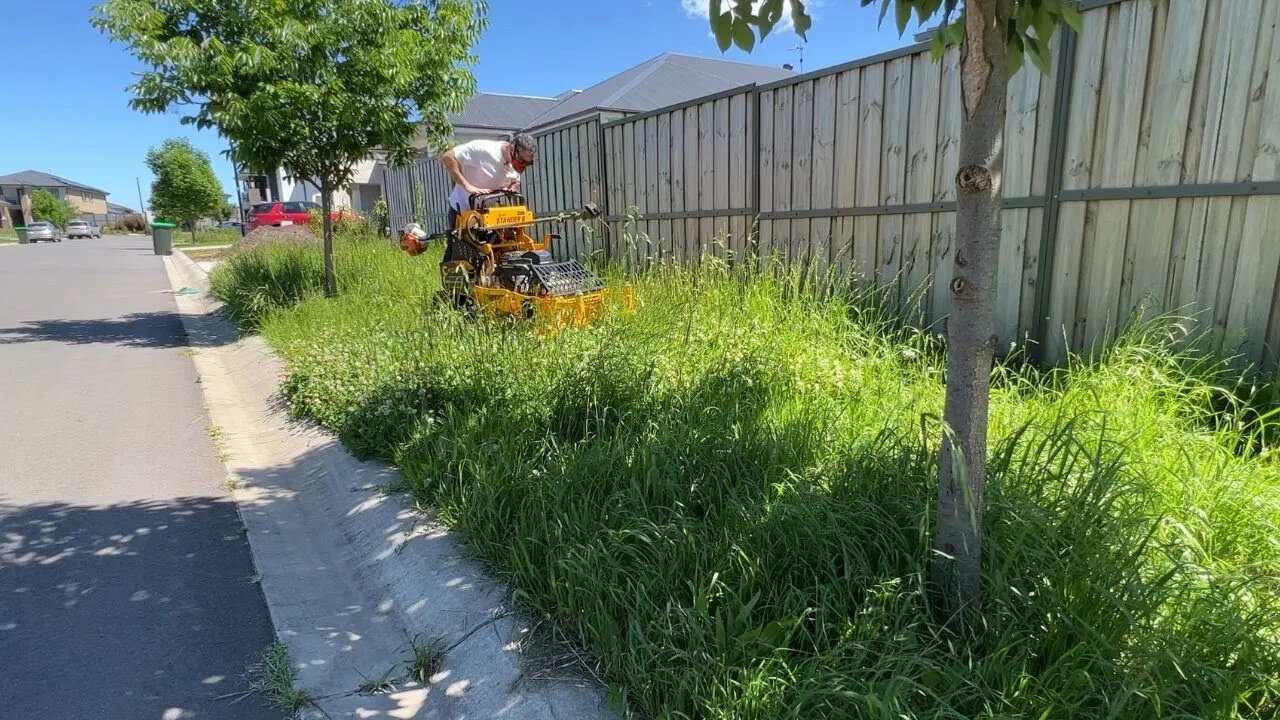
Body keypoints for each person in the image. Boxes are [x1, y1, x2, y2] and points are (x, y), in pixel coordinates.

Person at [439, 132, 537, 234]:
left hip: (489, 215)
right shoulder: (482, 149)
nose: (523, 166)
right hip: (463, 212)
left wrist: (513, 187)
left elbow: (515, 180)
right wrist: (467, 186)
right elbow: (447, 157)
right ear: (511, 148)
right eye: (521, 161)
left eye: (527, 163)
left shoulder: (515, 163)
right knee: (459, 249)